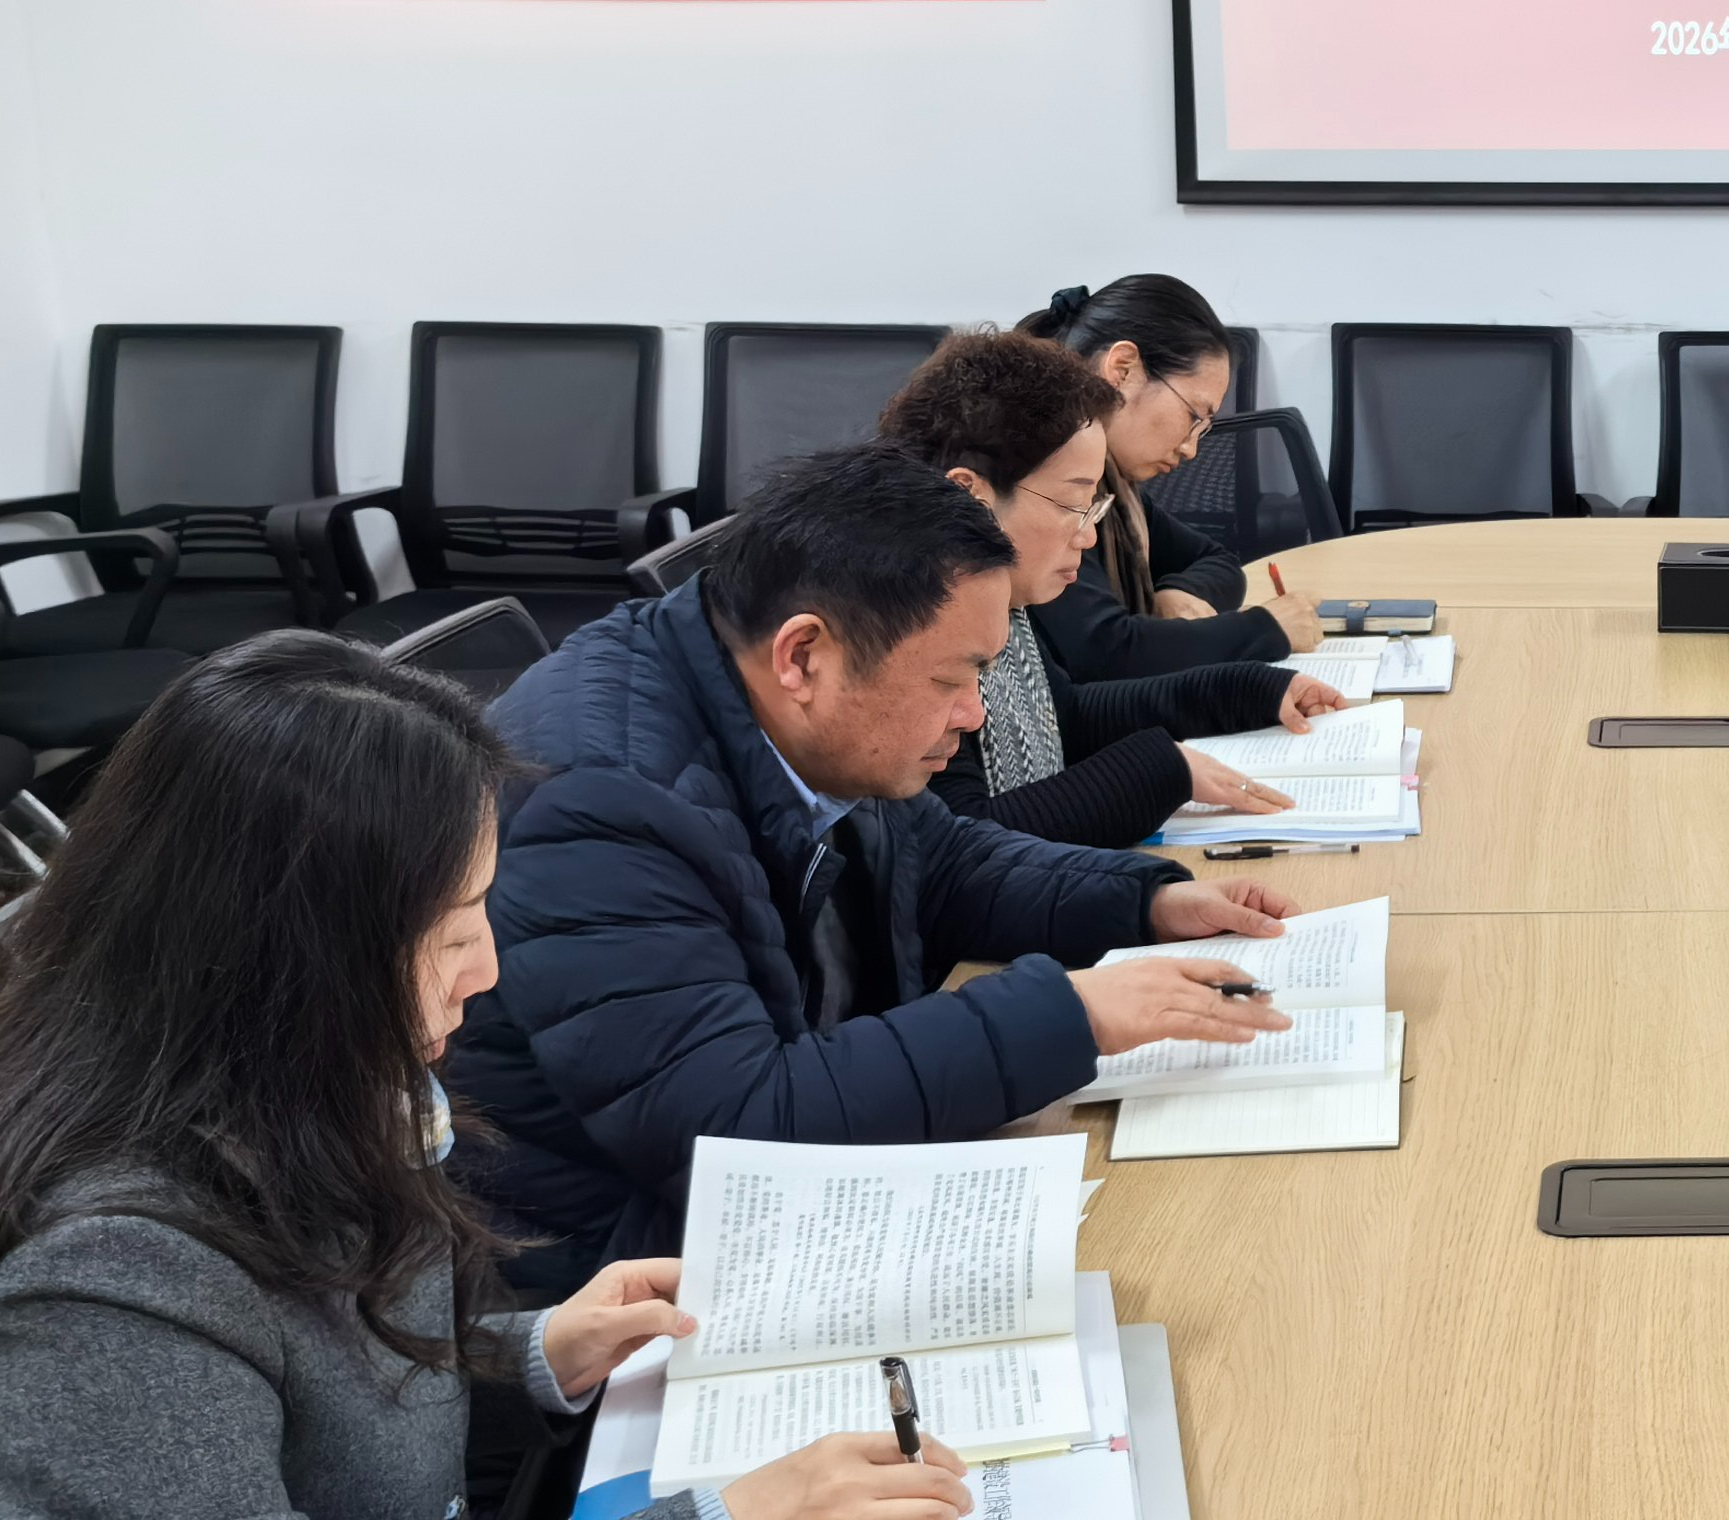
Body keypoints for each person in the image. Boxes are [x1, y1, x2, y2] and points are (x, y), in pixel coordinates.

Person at [0, 634, 970, 1520]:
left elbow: (322, 1375)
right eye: (452, 925)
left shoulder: (314, 1082)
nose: (487, 969)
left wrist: (530, 1353)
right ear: (294, 946)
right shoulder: (106, 1284)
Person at [444, 443, 1301, 1300]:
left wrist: (1145, 901)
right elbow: (739, 1131)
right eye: (952, 679)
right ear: (804, 656)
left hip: (784, 1200)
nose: (971, 714)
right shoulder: (599, 803)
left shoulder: (794, 712)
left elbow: (942, 857)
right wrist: (1070, 1014)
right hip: (636, 1283)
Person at [876, 330, 1345, 846]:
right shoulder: (907, 636)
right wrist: (1160, 771)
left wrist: (1245, 690)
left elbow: (1065, 718)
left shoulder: (1001, 601)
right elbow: (960, 844)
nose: (1090, 533)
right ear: (971, 497)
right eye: (1073, 503)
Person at [1016, 276, 1319, 678]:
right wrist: (1265, 629)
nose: (1191, 448)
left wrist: (1181, 591)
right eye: (1193, 416)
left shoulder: (1116, 488)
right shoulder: (1036, 472)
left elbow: (1217, 560)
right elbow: (1103, 653)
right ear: (1122, 370)